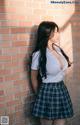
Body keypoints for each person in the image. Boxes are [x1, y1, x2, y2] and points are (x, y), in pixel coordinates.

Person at [30, 21, 74, 125]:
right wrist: (39, 95)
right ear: (47, 34)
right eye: (55, 32)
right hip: (47, 91)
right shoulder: (38, 54)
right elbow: (33, 77)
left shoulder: (58, 49)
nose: (58, 34)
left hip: (61, 89)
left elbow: (62, 67)